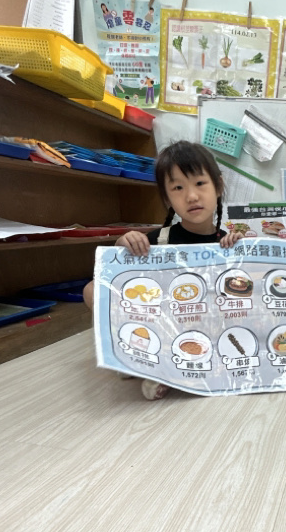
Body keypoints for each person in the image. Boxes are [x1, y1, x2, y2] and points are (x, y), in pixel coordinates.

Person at [83, 141, 241, 400]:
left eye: (200, 183)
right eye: (178, 188)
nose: (191, 196)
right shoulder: (158, 240)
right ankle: (137, 357)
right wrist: (123, 243)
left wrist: (241, 252)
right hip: (163, 323)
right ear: (167, 198)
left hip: (208, 325)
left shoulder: (227, 242)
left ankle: (168, 368)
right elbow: (116, 272)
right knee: (92, 289)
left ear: (218, 186)